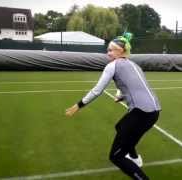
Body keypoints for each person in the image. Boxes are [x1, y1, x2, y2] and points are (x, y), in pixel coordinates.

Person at [65, 32, 161, 179]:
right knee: (120, 127)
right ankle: (135, 158)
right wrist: (123, 96)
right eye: (108, 49)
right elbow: (138, 87)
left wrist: (78, 105)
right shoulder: (134, 65)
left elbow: (97, 90)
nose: (107, 52)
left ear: (121, 51)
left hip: (140, 113)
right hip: (154, 111)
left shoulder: (112, 66)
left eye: (111, 50)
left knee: (116, 157)